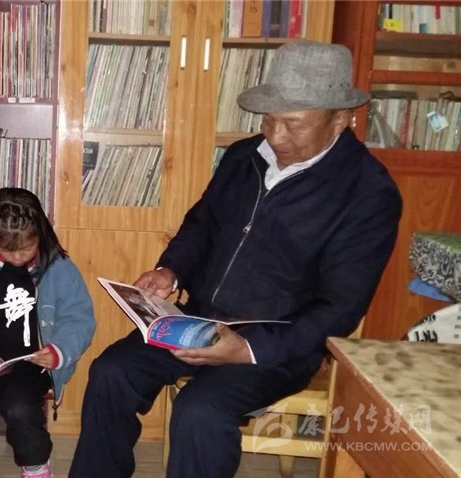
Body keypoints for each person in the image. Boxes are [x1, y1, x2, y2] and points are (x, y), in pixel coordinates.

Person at [69, 40, 402, 478]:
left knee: (200, 411)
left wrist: (247, 348)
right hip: (199, 320)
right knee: (111, 372)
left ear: (340, 118)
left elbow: (340, 307)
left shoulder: (368, 193)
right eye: (269, 119)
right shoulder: (244, 156)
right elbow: (203, 224)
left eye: (293, 124)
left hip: (279, 343)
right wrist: (172, 270)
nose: (276, 136)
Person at [0, 188, 95, 478]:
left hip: (35, 362)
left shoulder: (59, 269)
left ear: (41, 235)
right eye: (8, 250)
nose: (18, 256)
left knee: (21, 407)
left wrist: (58, 351)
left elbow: (78, 318)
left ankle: (35, 465)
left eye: (26, 248)